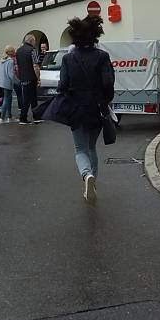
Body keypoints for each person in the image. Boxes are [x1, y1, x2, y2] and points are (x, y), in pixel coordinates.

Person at [49, 15, 115, 204]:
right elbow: (108, 82)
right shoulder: (103, 57)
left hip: (76, 107)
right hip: (97, 107)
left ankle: (86, 176)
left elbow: (62, 86)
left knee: (80, 149)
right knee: (92, 147)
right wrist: (106, 100)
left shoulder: (69, 58)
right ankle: (92, 182)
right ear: (95, 36)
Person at [15, 33, 41, 124]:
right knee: (32, 98)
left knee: (27, 97)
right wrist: (38, 78)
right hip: (32, 77)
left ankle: (33, 117)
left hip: (23, 78)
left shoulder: (18, 51)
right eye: (34, 41)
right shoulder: (32, 50)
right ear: (32, 41)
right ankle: (27, 117)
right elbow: (35, 65)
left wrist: (20, 76)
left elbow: (17, 66)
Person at [0, 47, 18, 123]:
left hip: (2, 82)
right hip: (8, 82)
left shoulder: (2, 60)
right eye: (13, 51)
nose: (14, 52)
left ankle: (9, 116)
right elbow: (11, 74)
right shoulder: (10, 61)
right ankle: (3, 118)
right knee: (7, 99)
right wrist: (17, 82)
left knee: (8, 99)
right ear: (10, 52)